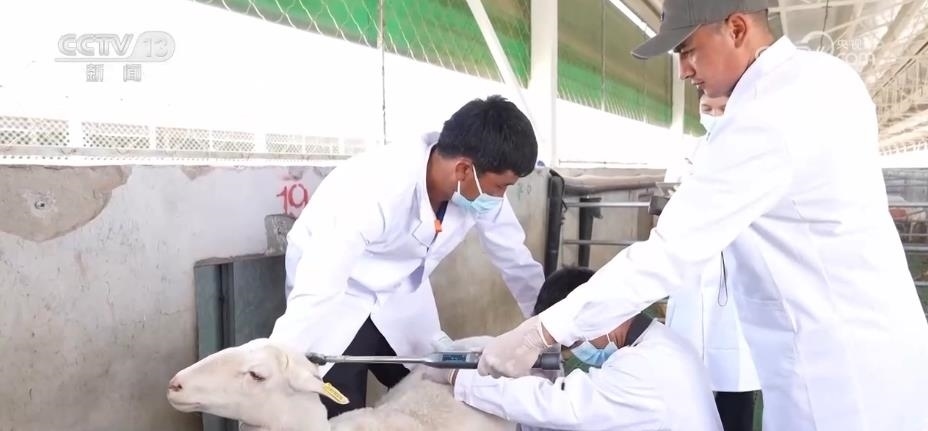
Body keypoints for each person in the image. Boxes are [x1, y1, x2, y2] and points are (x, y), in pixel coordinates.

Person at [474, 1, 928, 430]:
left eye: (688, 49)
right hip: (871, 351)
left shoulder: (767, 113)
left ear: (736, 28)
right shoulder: (825, 76)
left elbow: (668, 252)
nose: (683, 69)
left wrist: (542, 331)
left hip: (839, 381)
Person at [269, 95, 546, 418]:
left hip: (402, 293)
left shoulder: (478, 187)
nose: (501, 196)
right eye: (501, 186)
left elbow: (516, 259)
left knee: (432, 384)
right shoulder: (378, 184)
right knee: (336, 406)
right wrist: (275, 362)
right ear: (463, 169)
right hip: (339, 295)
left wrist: (548, 329)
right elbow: (321, 280)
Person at [426, 267, 723, 431]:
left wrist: (460, 378)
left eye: (574, 341)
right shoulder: (662, 343)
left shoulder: (644, 367)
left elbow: (562, 406)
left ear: (597, 314)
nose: (574, 349)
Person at [663, 89, 761, 431]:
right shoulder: (689, 155)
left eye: (722, 108)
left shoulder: (756, 153)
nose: (714, 115)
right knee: (688, 386)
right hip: (692, 280)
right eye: (708, 107)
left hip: (736, 288)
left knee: (736, 386)